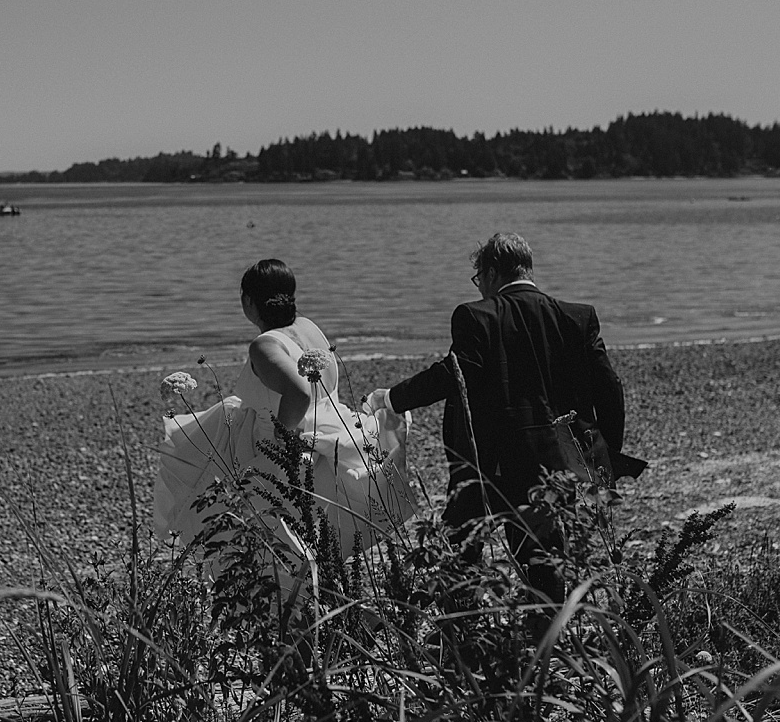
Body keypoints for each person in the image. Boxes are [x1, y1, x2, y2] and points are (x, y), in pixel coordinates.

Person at [365, 232, 637, 609]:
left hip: (488, 462)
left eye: (479, 280)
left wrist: (392, 398)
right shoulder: (578, 317)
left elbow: (455, 374)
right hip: (556, 462)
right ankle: (545, 641)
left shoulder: (476, 316)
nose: (479, 290)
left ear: (491, 272)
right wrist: (604, 459)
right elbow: (611, 388)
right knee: (543, 557)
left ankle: (460, 636)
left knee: (461, 548)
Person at [155, 259, 416, 566]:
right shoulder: (308, 328)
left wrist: (282, 434)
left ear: (248, 301)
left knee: (265, 538)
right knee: (308, 540)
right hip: (333, 425)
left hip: (281, 445)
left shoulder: (264, 345)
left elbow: (300, 392)